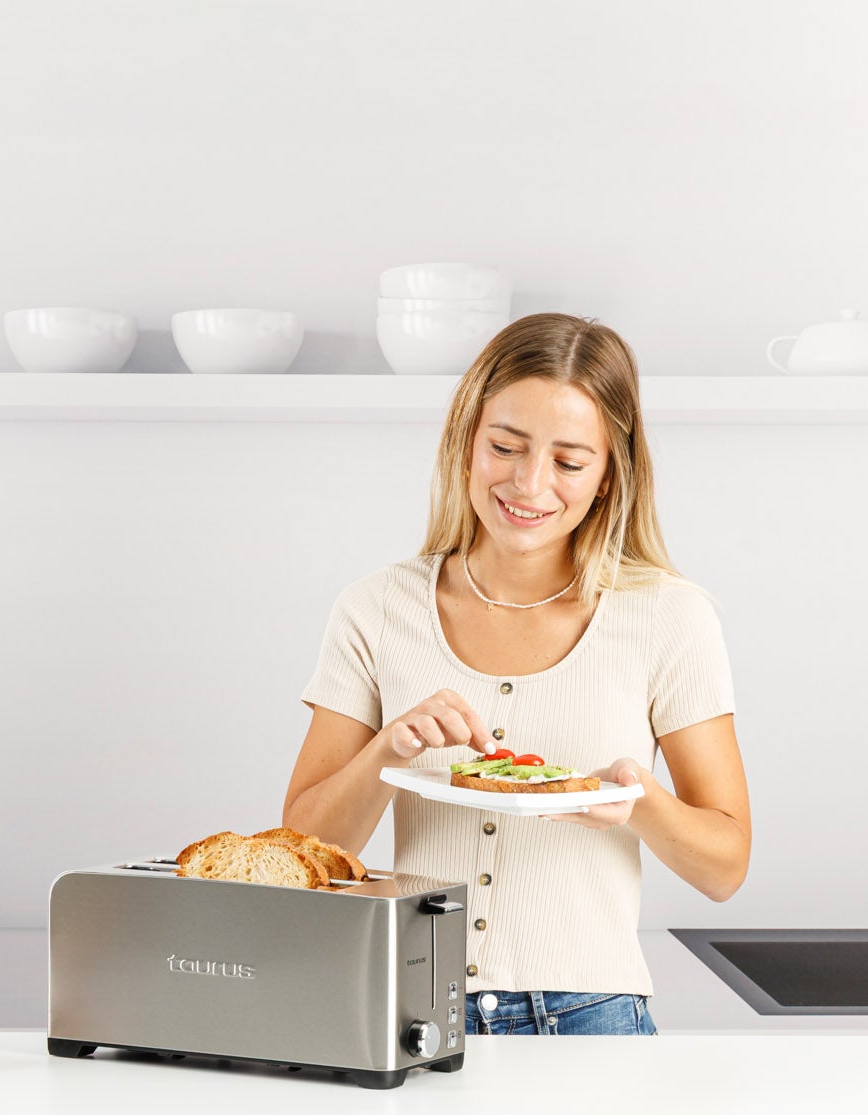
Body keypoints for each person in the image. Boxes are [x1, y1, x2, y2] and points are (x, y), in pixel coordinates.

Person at [283, 313, 750, 1036]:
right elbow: (302, 852)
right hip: (413, 1011)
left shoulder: (668, 617)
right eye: (505, 447)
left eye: (570, 462)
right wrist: (386, 752)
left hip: (592, 1017)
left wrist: (637, 799)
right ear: (466, 442)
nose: (530, 484)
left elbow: (725, 868)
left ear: (608, 477)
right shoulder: (376, 609)